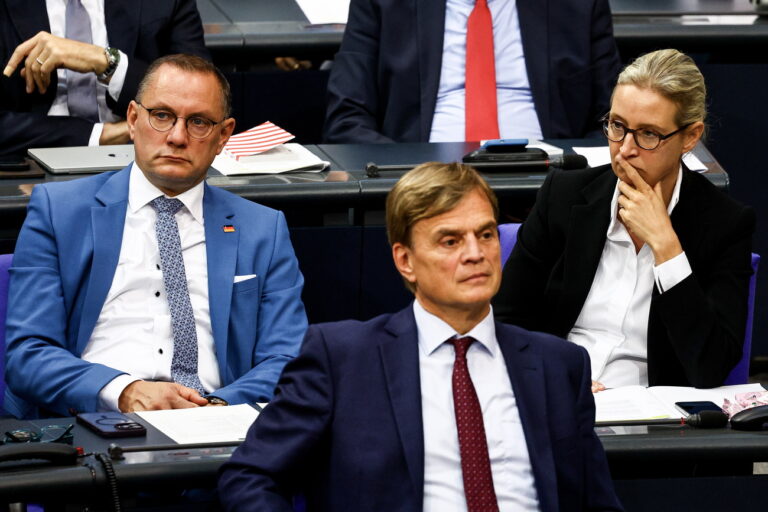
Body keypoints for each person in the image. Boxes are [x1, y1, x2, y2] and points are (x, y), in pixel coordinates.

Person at [218, 162, 622, 512]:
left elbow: (595, 502)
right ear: (405, 260)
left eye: (485, 235)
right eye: (450, 241)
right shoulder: (341, 360)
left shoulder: (559, 365)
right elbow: (250, 476)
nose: (475, 253)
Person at [4, 54, 308, 419]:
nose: (177, 137)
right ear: (133, 119)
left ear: (223, 135)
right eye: (162, 116)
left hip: (218, 425)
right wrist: (124, 391)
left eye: (198, 122)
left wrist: (214, 410)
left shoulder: (263, 229)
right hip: (101, 421)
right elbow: (29, 355)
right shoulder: (60, 211)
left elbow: (286, 359)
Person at [493, 49, 755, 389]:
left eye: (648, 134)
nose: (625, 148)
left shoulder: (723, 224)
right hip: (558, 391)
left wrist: (667, 248)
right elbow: (506, 321)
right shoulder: (564, 196)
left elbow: (711, 365)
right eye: (617, 126)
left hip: (651, 416)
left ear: (690, 137)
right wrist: (554, 374)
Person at [324, 0, 621, 143]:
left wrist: (569, 172)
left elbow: (614, 121)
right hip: (423, 185)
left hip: (546, 187)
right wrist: (408, 172)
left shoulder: (578, 6)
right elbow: (346, 120)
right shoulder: (383, 4)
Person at [0, 0, 209, 157]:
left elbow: (201, 94)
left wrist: (108, 62)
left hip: (141, 159)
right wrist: (100, 135)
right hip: (30, 162)